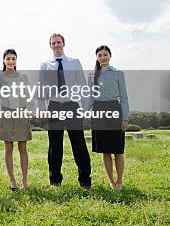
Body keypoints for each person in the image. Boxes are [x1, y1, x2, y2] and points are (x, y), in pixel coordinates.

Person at [38, 33, 92, 189]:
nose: (56, 45)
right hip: (54, 106)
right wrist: (42, 109)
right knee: (55, 145)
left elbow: (82, 85)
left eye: (58, 42)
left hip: (72, 106)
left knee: (78, 143)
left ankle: (85, 180)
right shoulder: (45, 65)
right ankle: (55, 180)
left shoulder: (74, 62)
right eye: (53, 43)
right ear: (50, 45)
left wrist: (85, 108)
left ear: (63, 43)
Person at [87, 45, 129, 190]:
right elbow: (90, 98)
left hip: (114, 110)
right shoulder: (91, 76)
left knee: (118, 149)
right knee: (105, 149)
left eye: (105, 54)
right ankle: (111, 180)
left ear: (110, 56)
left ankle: (119, 180)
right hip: (98, 111)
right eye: (100, 55)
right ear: (97, 58)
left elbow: (124, 98)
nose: (103, 57)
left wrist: (125, 119)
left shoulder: (118, 74)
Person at [0, 49, 32, 191]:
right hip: (6, 113)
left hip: (21, 112)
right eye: (8, 59)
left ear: (16, 60)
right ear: (4, 60)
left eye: (13, 59)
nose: (11, 61)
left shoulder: (23, 77)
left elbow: (28, 95)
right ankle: (12, 180)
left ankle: (25, 180)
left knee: (23, 147)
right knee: (8, 147)